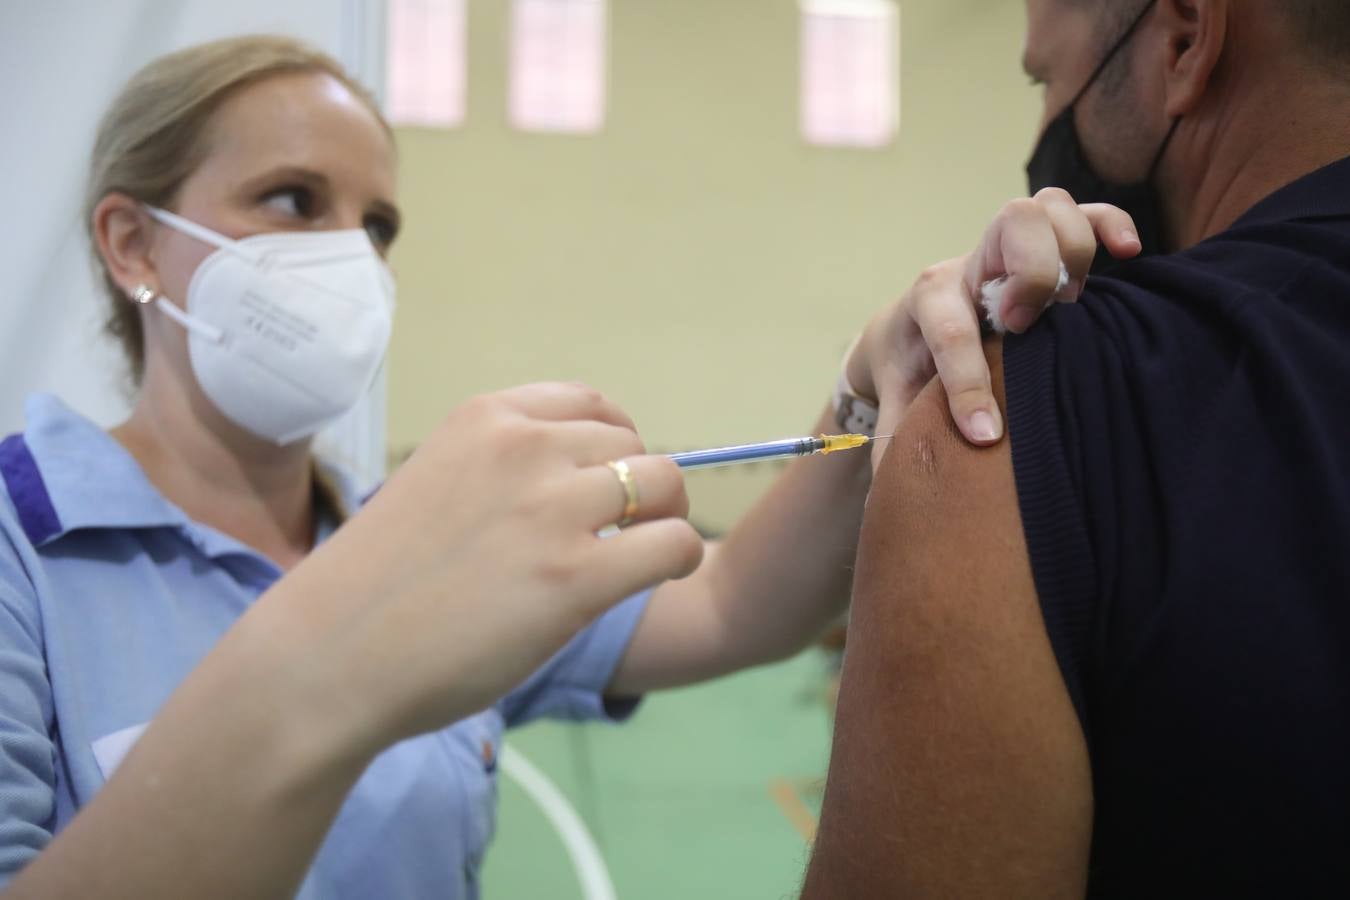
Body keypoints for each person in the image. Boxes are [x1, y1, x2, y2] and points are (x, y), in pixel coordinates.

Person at [0, 34, 1118, 899]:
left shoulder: (424, 541)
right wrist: (336, 653)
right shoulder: (21, 548)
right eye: (292, 201)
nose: (350, 256)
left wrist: (877, 384)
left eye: (377, 224)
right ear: (134, 243)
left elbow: (732, 602)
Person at [804, 0, 1350, 897]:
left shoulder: (1018, 404)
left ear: (1183, 39)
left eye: (1048, 82)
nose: (1046, 126)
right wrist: (862, 386)